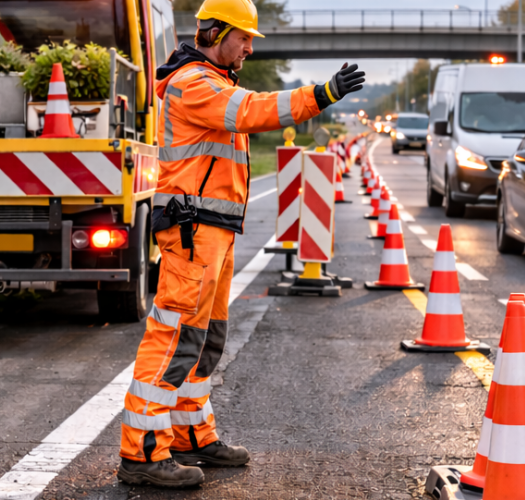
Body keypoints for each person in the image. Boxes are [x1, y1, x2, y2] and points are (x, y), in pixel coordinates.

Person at [117, 0, 365, 488]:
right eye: (244, 38)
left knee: (203, 339)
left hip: (212, 231)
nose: (250, 48)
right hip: (193, 232)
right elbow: (253, 111)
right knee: (173, 337)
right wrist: (321, 94)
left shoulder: (212, 81)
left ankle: (191, 435)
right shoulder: (194, 84)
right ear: (213, 34)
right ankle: (143, 454)